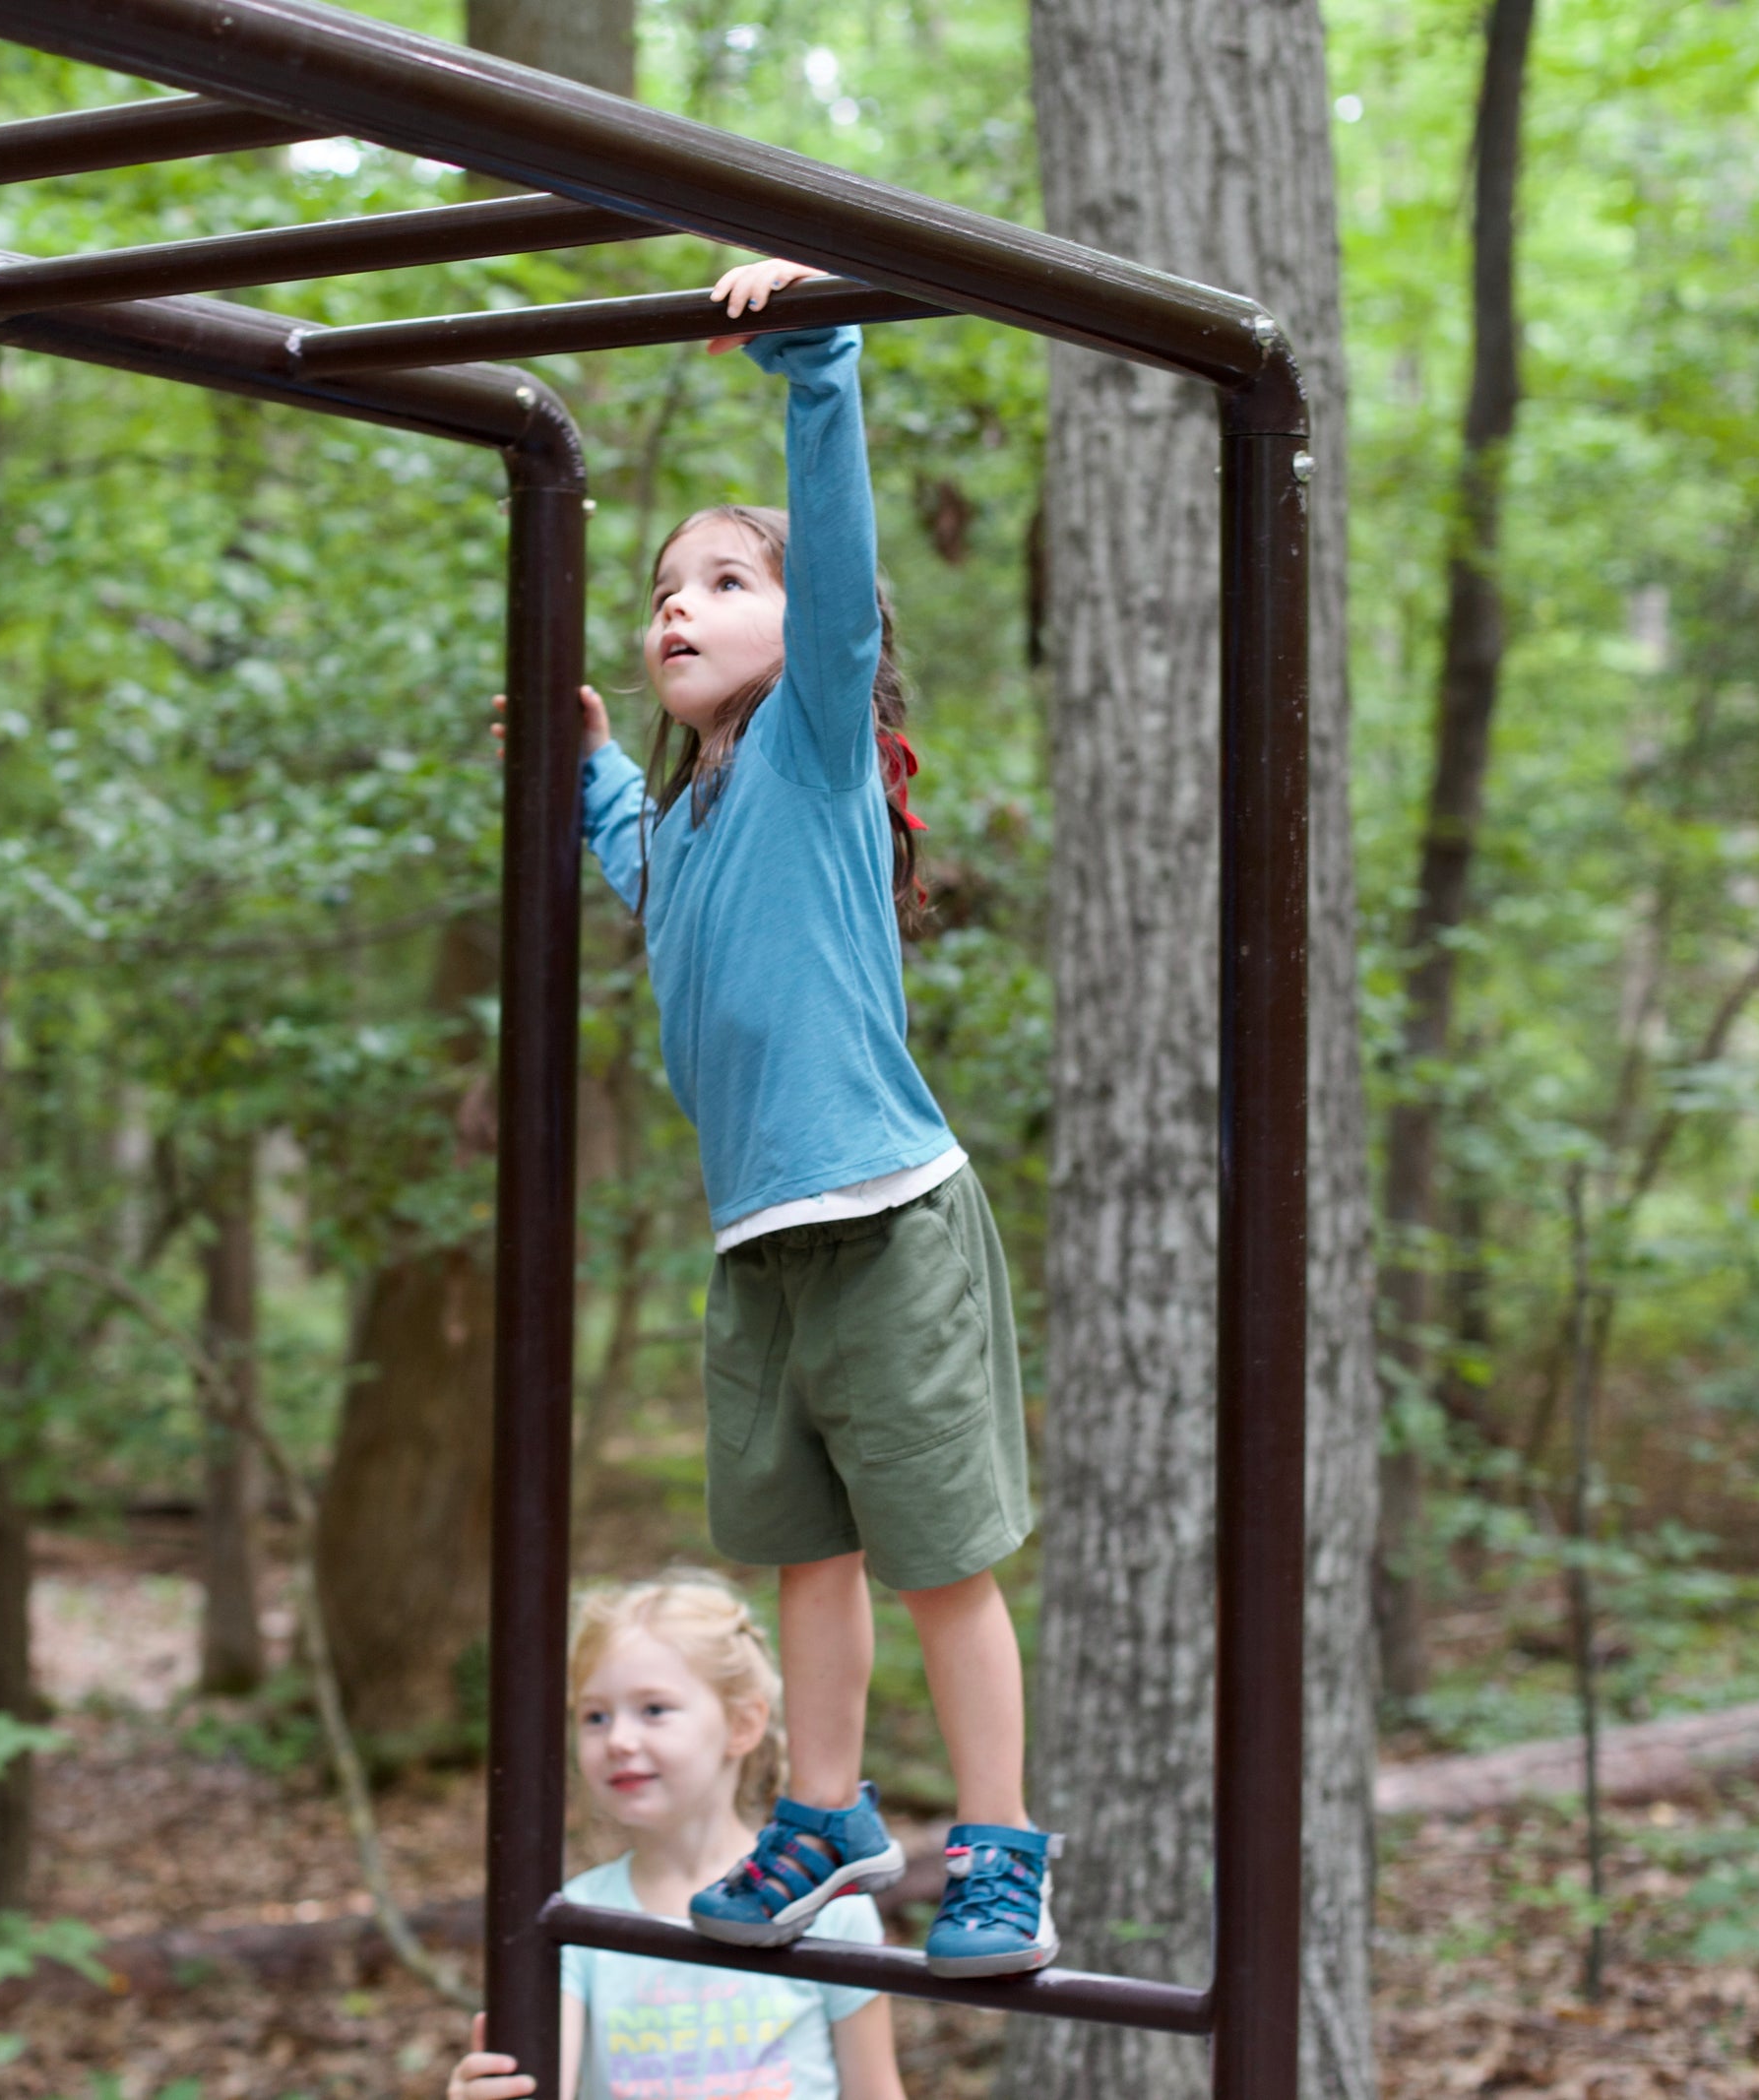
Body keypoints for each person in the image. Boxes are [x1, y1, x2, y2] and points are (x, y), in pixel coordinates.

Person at [497, 256, 1057, 1983]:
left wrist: (817, 368)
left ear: (802, 630)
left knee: (936, 1560)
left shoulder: (817, 750)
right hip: (763, 1248)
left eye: (724, 580)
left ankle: (1004, 1845)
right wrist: (584, 760)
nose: (677, 605)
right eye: (664, 590)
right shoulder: (681, 831)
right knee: (804, 1549)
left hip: (887, 1213)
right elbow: (626, 850)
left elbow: (835, 566)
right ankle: (824, 1814)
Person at [446, 1573, 907, 2100]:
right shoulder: (573, 1917)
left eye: (654, 1710)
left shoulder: (826, 1903)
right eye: (594, 1716)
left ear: (742, 1724)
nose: (618, 1739)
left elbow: (876, 2090)